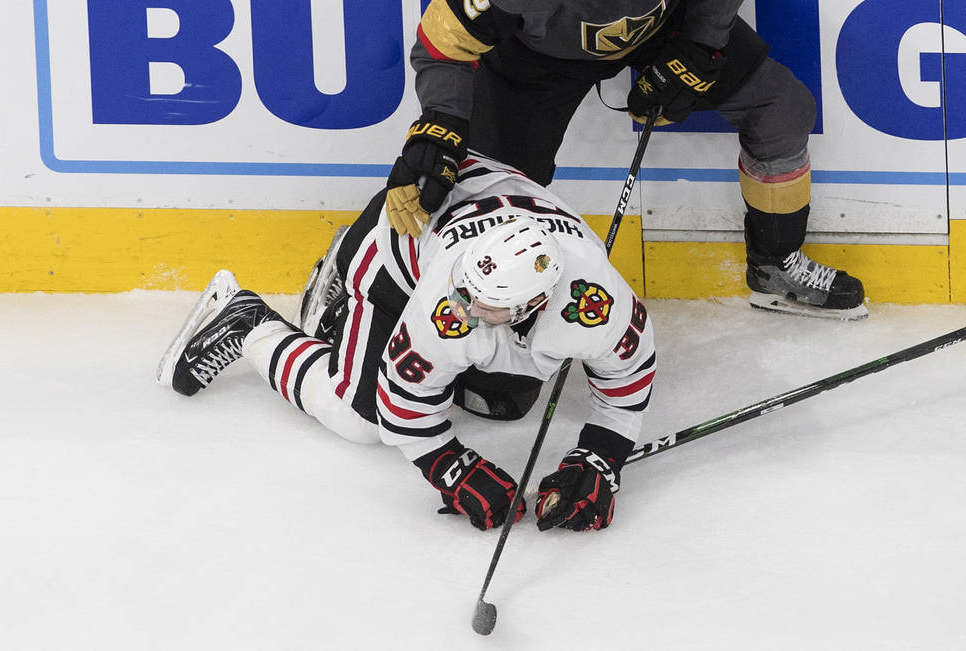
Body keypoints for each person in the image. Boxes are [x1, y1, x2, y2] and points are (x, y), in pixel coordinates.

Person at [385, 0, 867, 320]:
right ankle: (456, 297)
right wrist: (440, 121)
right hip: (537, 61)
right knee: (484, 183)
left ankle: (774, 267)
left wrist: (700, 47)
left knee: (783, 109)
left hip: (660, 25)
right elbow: (441, 42)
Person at [156, 154, 656, 533]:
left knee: (506, 402)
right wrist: (451, 467)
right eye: (466, 293)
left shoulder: (600, 302)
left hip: (484, 200)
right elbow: (403, 409)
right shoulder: (448, 302)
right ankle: (249, 322)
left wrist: (601, 454)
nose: (465, 308)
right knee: (361, 418)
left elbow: (628, 376)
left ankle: (341, 314)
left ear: (532, 305)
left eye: (485, 306)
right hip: (396, 245)